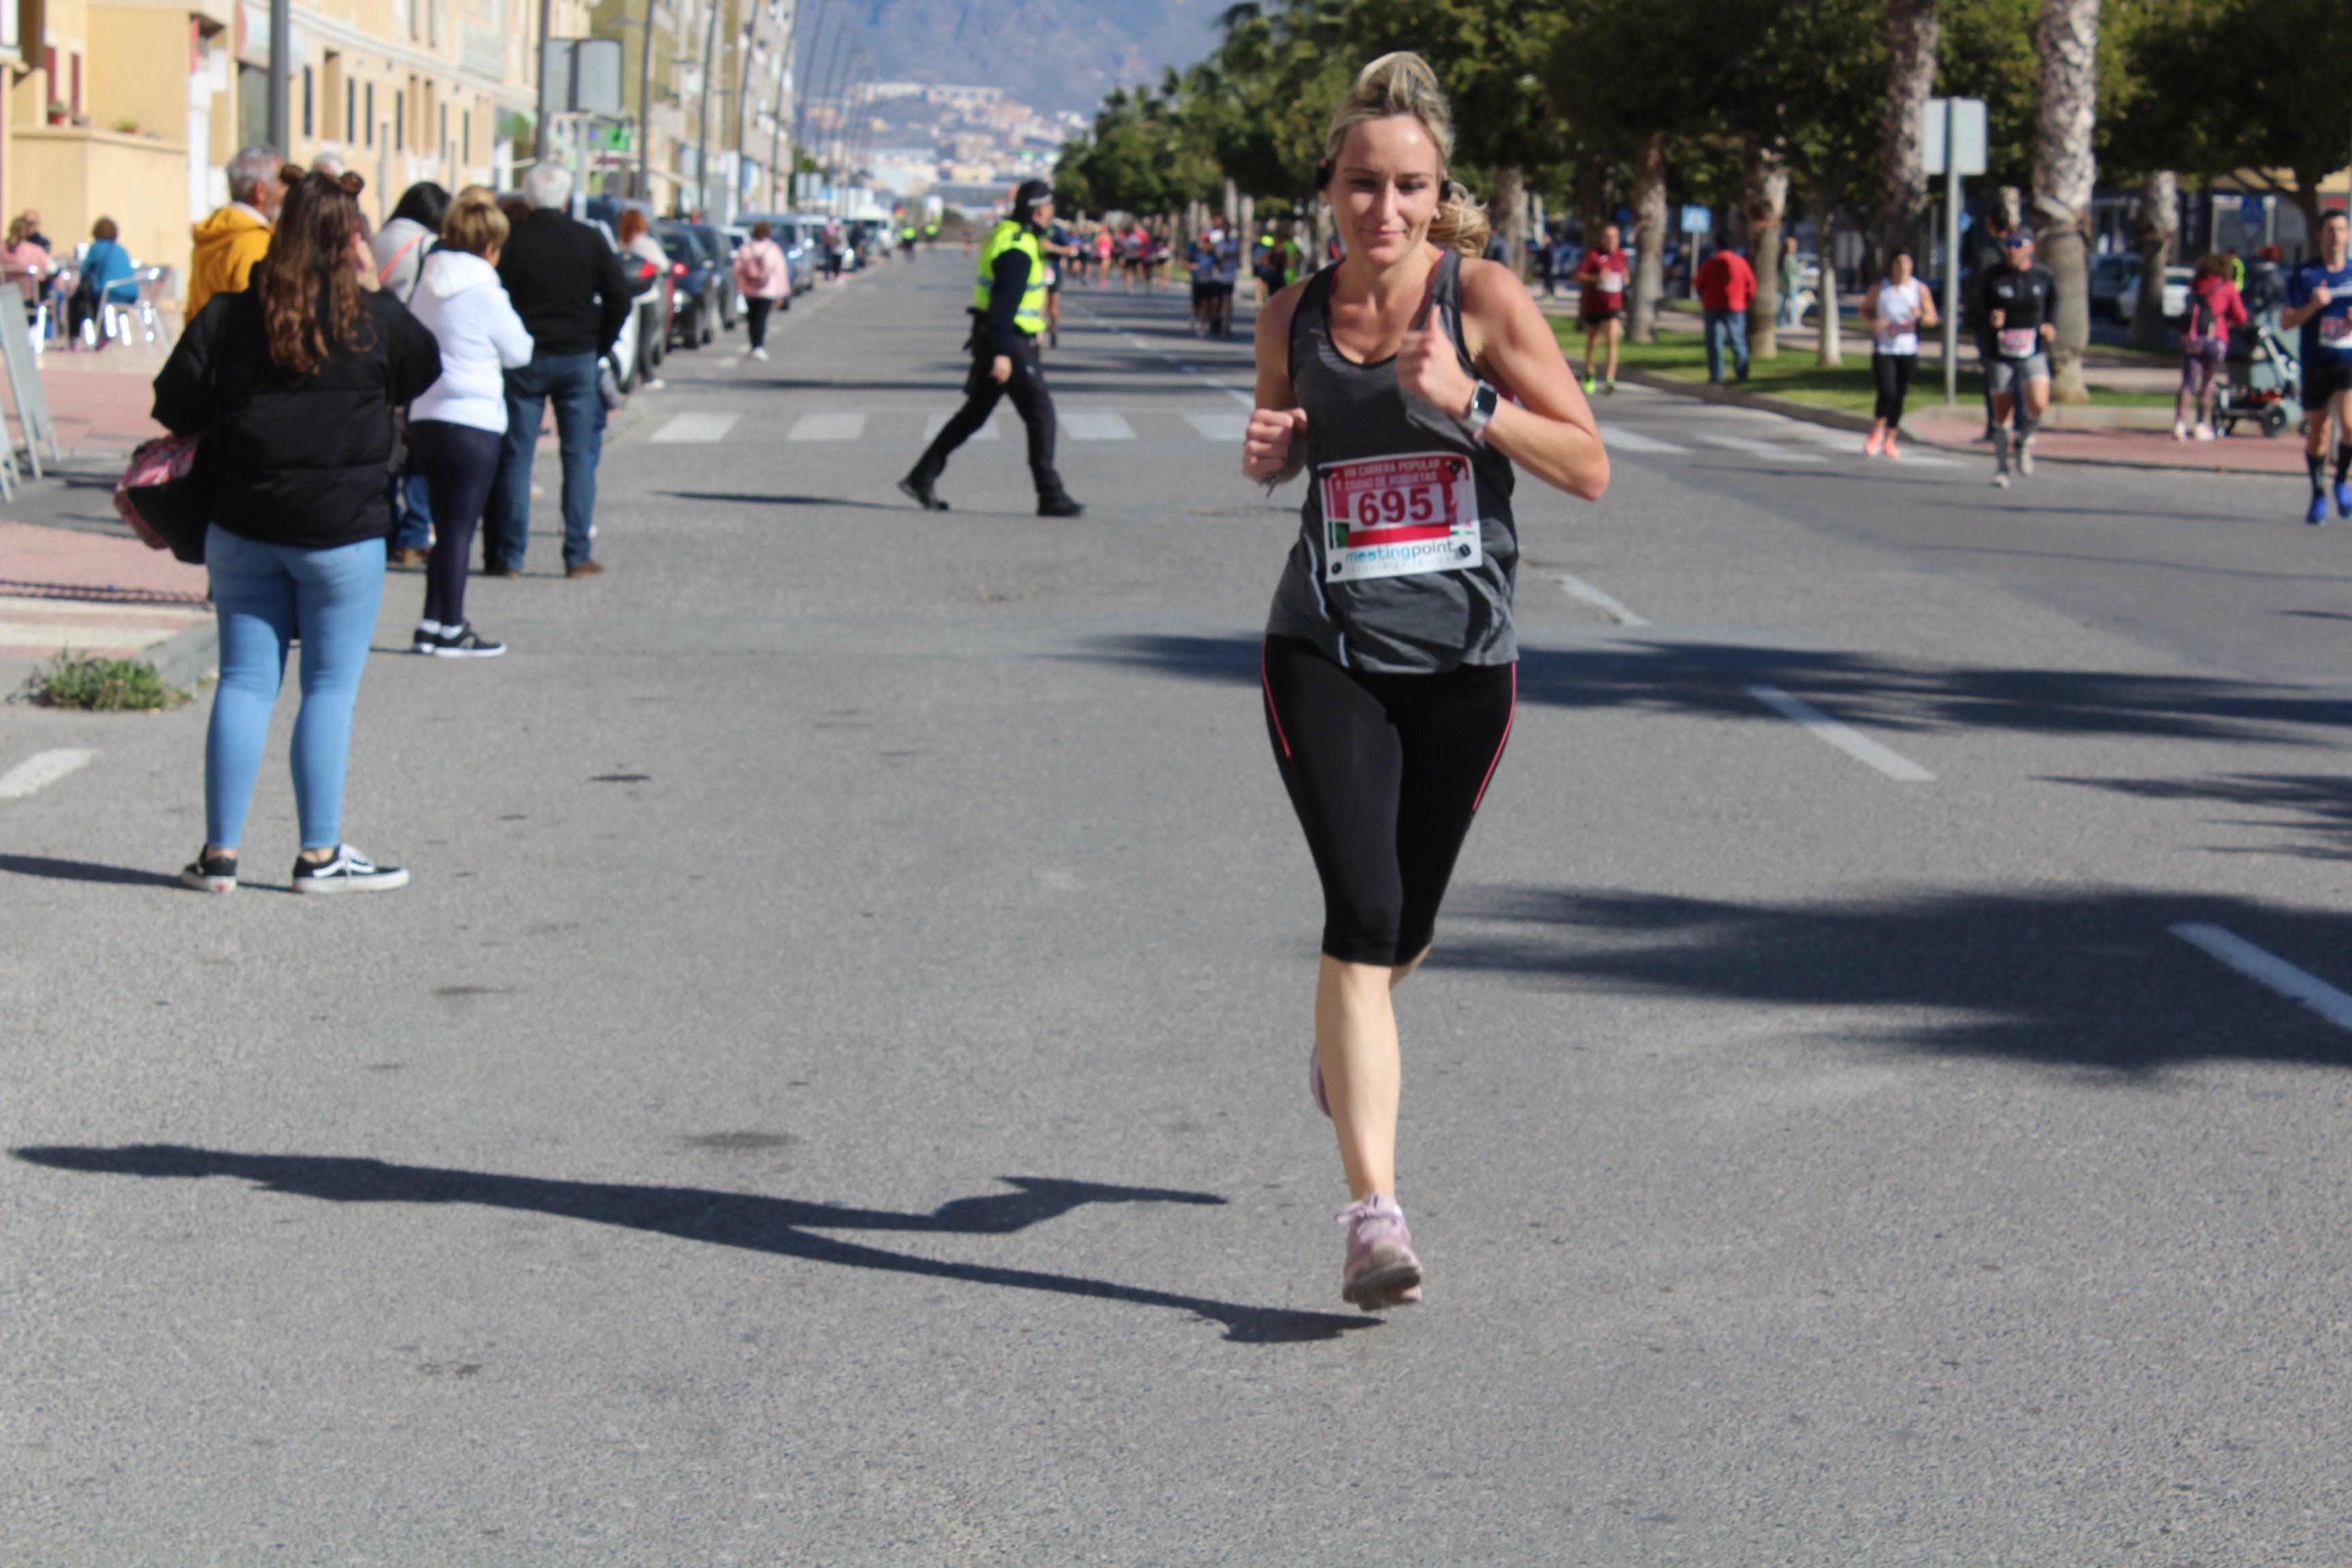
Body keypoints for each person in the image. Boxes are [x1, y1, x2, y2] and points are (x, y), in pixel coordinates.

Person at [1243, 52, 1608, 1312]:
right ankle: (1372, 1215)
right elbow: (1283, 448)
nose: (1381, 209)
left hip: (1464, 660)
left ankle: (1349, 1042)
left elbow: (1589, 465)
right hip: (1325, 647)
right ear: (1330, 187)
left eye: (1406, 187)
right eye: (1360, 184)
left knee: (1407, 926)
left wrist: (1474, 401)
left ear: (1438, 191)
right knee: (1359, 912)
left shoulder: (1485, 297)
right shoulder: (1290, 315)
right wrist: (1268, 452)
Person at [157, 166, 442, 895]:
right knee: (327, 690)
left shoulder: (229, 315)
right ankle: (319, 856)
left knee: (246, 682)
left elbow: (175, 401)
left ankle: (220, 855)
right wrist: (368, 286)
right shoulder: (372, 319)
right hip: (341, 534)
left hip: (243, 525)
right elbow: (421, 370)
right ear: (351, 239)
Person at [481, 161, 634, 578]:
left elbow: (494, 298)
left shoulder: (511, 242)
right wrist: (598, 344)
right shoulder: (588, 239)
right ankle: (577, 554)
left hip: (524, 358)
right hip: (577, 357)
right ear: (567, 198)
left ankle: (509, 557)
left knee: (517, 458)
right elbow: (619, 297)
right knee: (579, 458)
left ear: (527, 197)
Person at [898, 179, 1084, 518]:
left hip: (999, 337)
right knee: (1041, 413)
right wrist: (1001, 353)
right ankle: (1050, 493)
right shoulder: (1018, 246)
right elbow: (1003, 304)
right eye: (1050, 207)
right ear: (1040, 209)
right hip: (1007, 341)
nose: (1053, 213)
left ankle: (921, 477)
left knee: (974, 414)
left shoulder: (1008, 235)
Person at [405, 187, 534, 657]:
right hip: (474, 417)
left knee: (443, 525)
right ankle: (452, 628)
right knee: (460, 529)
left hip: (427, 414)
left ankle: (431, 622)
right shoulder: (484, 289)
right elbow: (521, 351)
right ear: (490, 246)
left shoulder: (427, 281)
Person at [373, 182, 453, 567]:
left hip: (373, 348)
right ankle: (415, 532)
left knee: (383, 446)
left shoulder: (375, 239)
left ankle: (385, 528)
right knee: (415, 452)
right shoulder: (428, 246)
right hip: (411, 347)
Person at [2282, 210, 2352, 525]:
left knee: (2350, 425)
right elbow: (2287, 321)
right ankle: (2318, 494)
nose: (2335, 236)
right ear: (2321, 235)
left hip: (2347, 359)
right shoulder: (2306, 274)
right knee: (2319, 434)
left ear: (2348, 235)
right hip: (2316, 361)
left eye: (2341, 229)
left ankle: (2342, 481)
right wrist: (2314, 305)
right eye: (2330, 230)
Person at [1980, 225, 2056, 488]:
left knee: (2039, 404)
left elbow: (2052, 307)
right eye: (2008, 246)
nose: (2011, 251)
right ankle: (2002, 468)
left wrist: (2050, 326)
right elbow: (1975, 310)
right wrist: (1989, 318)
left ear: (2030, 248)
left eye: (2017, 246)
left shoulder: (2043, 275)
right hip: (2001, 352)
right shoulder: (1993, 276)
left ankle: (2024, 440)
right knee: (2003, 413)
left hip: (2033, 349)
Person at [188, 145, 287, 318]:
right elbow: (253, 312)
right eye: (282, 183)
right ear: (261, 191)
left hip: (201, 339)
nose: (287, 192)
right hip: (231, 342)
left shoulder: (214, 230)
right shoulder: (254, 240)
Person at [1860, 247, 1937, 457]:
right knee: (1887, 390)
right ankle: (1876, 431)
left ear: (1912, 266)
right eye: (1899, 263)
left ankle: (1891, 438)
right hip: (1885, 348)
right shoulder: (1881, 288)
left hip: (1908, 348)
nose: (1903, 267)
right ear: (1892, 266)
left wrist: (1920, 316)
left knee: (1900, 394)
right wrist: (1874, 322)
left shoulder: (1919, 289)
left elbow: (1932, 319)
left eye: (1907, 263)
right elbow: (1864, 309)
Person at [2174, 253, 2247, 444]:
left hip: (2193, 339)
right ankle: (2200, 424)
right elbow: (2241, 317)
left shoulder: (2196, 285)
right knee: (2208, 383)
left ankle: (2180, 423)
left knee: (2188, 383)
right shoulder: (2228, 287)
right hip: (2217, 339)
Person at [1573, 222, 1630, 393]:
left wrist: (1624, 280)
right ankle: (1589, 371)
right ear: (1601, 239)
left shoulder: (1622, 256)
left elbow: (1625, 276)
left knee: (1613, 339)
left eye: (1615, 237)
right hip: (1594, 305)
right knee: (1593, 341)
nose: (1611, 240)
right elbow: (1577, 276)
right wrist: (1597, 278)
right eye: (1608, 237)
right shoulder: (1594, 256)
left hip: (1613, 306)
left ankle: (1610, 378)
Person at [64, 216, 138, 346]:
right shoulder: (122, 249)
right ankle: (104, 331)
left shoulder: (96, 248)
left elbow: (85, 272)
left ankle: (78, 336)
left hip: (111, 292)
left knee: (81, 299)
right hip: (131, 293)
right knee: (95, 295)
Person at [1695, 232, 1757, 383]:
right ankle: (1742, 373)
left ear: (1716, 246)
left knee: (1715, 342)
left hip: (1713, 306)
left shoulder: (1711, 263)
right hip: (1736, 307)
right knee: (1738, 340)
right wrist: (1745, 302)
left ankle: (1716, 375)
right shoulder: (1741, 263)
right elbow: (1751, 286)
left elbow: (1698, 284)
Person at [732, 220, 789, 362]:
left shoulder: (745, 248)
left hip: (749, 289)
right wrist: (781, 294)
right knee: (761, 318)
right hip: (767, 290)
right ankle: (759, 347)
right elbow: (780, 271)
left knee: (752, 319)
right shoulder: (773, 249)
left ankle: (754, 346)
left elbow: (737, 269)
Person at [1777, 233, 1804, 327]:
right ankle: (1792, 321)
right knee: (1792, 303)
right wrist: (1801, 266)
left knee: (1783, 303)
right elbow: (1793, 270)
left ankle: (1781, 321)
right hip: (1791, 283)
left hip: (1785, 284)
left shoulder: (1784, 257)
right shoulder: (1788, 257)